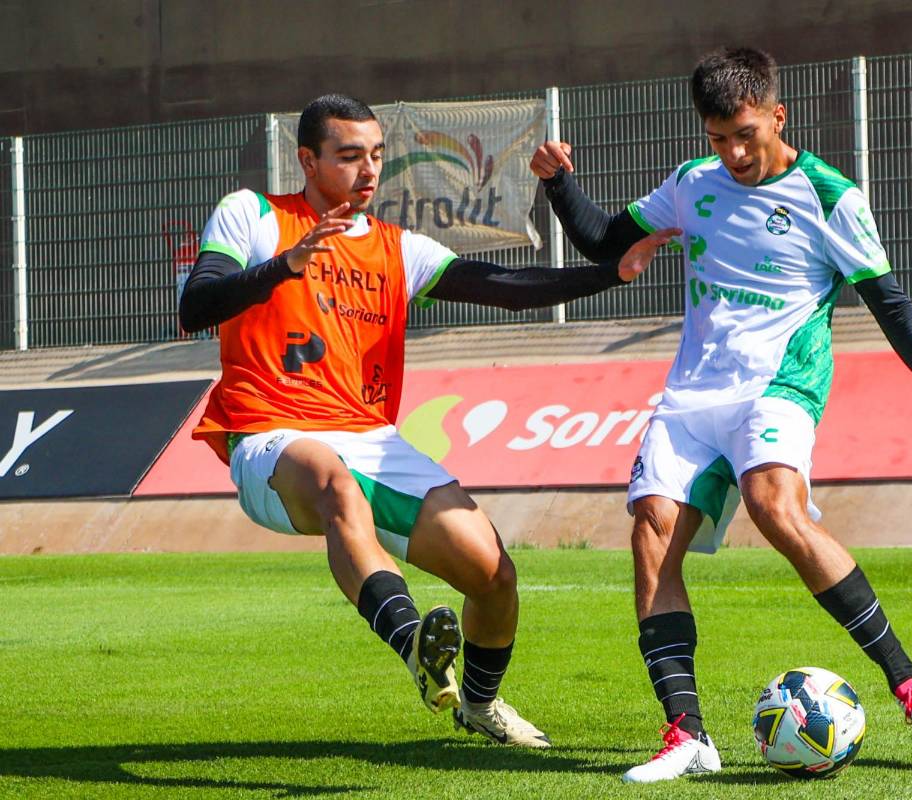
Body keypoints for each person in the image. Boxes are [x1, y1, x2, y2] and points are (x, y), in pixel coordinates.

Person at [530, 47, 912, 782]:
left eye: (745, 134)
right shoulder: (694, 183)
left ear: (777, 116)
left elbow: (890, 305)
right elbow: (607, 241)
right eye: (717, 137)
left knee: (774, 505)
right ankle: (688, 737)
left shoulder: (830, 196)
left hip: (779, 385)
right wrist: (560, 184)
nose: (732, 153)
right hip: (693, 392)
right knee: (651, 531)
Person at [180, 93, 678, 749]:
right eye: (349, 156)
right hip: (269, 435)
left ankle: (478, 703)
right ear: (307, 159)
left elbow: (501, 286)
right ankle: (414, 642)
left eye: (377, 155)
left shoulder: (396, 248)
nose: (368, 171)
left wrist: (608, 272)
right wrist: (284, 266)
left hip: (370, 439)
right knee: (333, 482)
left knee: (494, 576)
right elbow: (197, 306)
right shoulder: (254, 215)